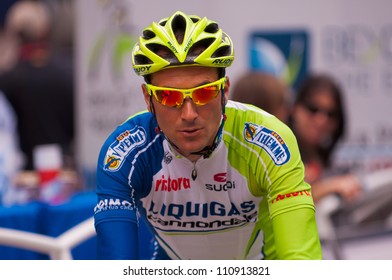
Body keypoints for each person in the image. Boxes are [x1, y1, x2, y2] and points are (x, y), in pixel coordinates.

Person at [94, 11, 322, 260]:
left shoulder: (268, 142)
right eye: (169, 97)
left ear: (225, 91)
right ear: (148, 99)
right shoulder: (126, 153)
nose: (189, 114)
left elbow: (301, 260)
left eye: (204, 93)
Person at [0, 0, 75, 171]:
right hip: (64, 172)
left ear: (14, 33)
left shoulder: (8, 81)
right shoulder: (67, 74)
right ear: (46, 29)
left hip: (21, 176)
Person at [289, 73, 362, 204]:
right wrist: (329, 187)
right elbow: (286, 202)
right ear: (295, 109)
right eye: (313, 109)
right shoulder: (278, 154)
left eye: (331, 114)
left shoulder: (327, 163)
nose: (321, 120)